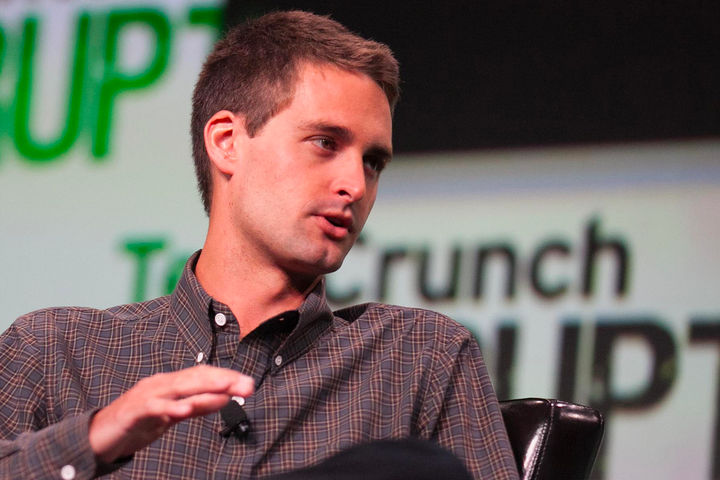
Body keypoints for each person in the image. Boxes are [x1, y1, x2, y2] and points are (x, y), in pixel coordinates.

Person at [0, 11, 519, 480]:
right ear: (227, 142)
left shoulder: (419, 358)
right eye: (326, 143)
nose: (355, 186)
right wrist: (94, 439)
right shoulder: (56, 352)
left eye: (373, 162)